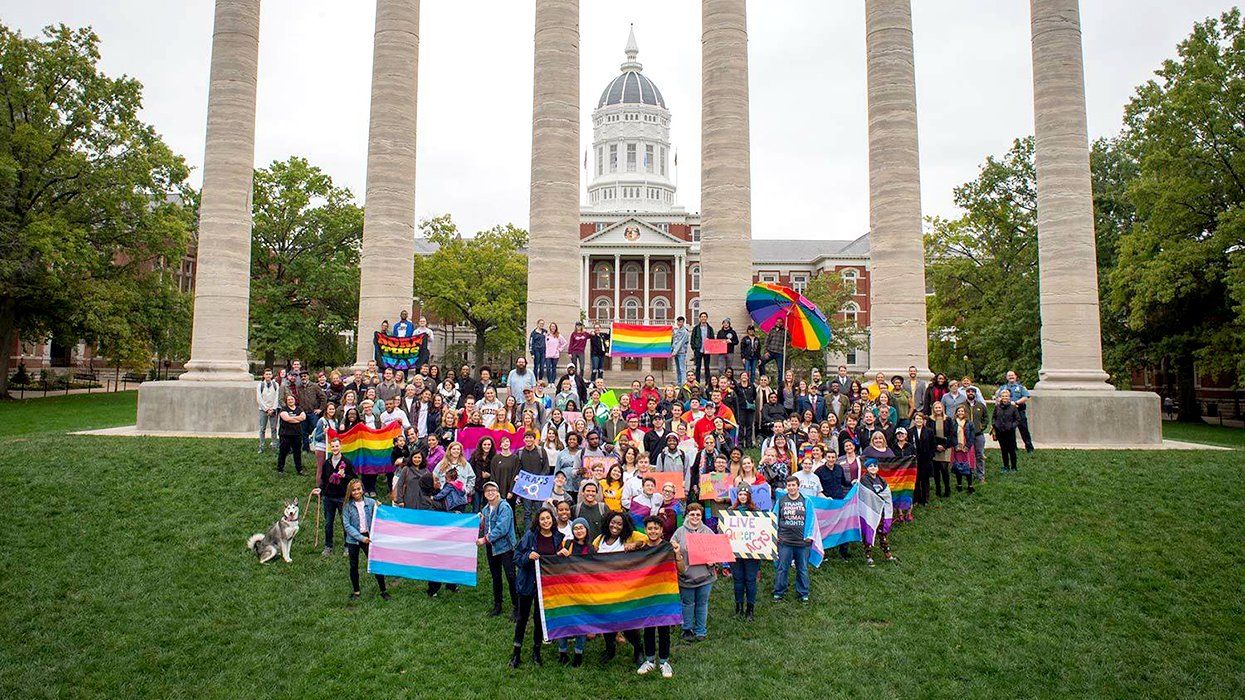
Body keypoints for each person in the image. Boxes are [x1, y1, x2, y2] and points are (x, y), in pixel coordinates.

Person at [512, 507, 563, 668]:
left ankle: (536, 651)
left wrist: (562, 556)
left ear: (552, 520)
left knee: (539, 618)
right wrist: (528, 556)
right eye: (542, 519)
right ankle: (516, 652)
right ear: (538, 522)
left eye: (548, 518)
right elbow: (517, 557)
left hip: (546, 585)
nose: (546, 521)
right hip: (528, 582)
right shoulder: (530, 536)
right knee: (522, 618)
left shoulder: (557, 538)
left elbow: (557, 564)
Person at [634, 515, 675, 677]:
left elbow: (681, 568)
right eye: (650, 528)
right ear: (646, 530)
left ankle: (665, 662)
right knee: (648, 628)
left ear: (661, 530)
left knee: (664, 629)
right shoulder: (642, 549)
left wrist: (677, 554)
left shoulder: (668, 547)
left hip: (665, 593)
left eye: (656, 528)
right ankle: (650, 660)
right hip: (647, 594)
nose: (653, 531)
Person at [670, 502, 716, 642]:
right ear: (687, 515)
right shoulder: (679, 532)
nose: (695, 517)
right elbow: (672, 547)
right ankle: (687, 629)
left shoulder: (708, 531)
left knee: (702, 603)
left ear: (701, 516)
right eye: (692, 514)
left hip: (705, 575)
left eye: (698, 514)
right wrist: (675, 548)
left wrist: (713, 561)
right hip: (686, 575)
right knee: (687, 603)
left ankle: (701, 630)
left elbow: (716, 550)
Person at [342, 479, 389, 600]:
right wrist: (361, 538)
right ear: (350, 492)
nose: (356, 492)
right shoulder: (347, 506)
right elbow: (347, 526)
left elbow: (380, 516)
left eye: (358, 489)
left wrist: (380, 507)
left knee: (375, 563)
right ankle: (356, 591)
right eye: (353, 490)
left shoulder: (371, 502)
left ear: (362, 489)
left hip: (369, 538)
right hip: (354, 540)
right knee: (354, 566)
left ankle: (383, 590)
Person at [555, 517, 593, 666]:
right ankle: (562, 652)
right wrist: (560, 554)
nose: (579, 530)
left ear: (586, 530)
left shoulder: (591, 548)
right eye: (576, 528)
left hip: (583, 590)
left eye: (581, 528)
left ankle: (578, 653)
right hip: (565, 589)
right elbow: (555, 563)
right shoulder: (566, 543)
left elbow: (593, 569)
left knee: (581, 623)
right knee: (564, 621)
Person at [478, 482, 518, 619]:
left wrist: (484, 539)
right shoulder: (485, 510)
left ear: (498, 492)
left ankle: (517, 607)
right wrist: (479, 522)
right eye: (487, 491)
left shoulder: (504, 507)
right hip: (492, 547)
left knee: (511, 577)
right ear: (484, 494)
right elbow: (484, 527)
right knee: (496, 577)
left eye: (492, 490)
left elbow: (502, 528)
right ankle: (498, 605)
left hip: (505, 547)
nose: (490, 492)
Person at [773, 475, 815, 603]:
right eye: (789, 485)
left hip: (802, 542)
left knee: (802, 569)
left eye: (793, 485)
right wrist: (775, 535)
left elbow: (812, 519)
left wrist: (808, 536)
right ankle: (779, 592)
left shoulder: (806, 500)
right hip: (785, 541)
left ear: (798, 486)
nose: (791, 488)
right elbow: (774, 518)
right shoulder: (781, 501)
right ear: (786, 487)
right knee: (782, 568)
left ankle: (803, 593)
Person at [730, 486, 762, 621]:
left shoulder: (756, 512)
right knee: (738, 580)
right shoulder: (731, 511)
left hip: (752, 552)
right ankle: (738, 608)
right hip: (735, 552)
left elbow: (762, 530)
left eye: (745, 494)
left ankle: (750, 609)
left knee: (750, 580)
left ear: (749, 496)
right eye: (740, 494)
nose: (742, 496)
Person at [860, 461, 896, 566]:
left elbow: (887, 493)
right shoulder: (864, 479)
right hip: (869, 511)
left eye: (875, 466)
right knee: (868, 532)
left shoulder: (881, 479)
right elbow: (869, 493)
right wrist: (879, 496)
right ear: (867, 468)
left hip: (881, 510)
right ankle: (869, 556)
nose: (873, 468)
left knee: (882, 532)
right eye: (870, 466)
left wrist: (880, 497)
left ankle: (887, 553)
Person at [996, 370, 1035, 452]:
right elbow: (998, 397)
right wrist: (1005, 402)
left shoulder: (1021, 387)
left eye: (1012, 375)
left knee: (1024, 429)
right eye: (1009, 375)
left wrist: (1016, 402)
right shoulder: (1003, 388)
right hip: (1007, 412)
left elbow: (1026, 397)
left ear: (1016, 376)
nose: (1011, 377)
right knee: (1010, 430)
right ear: (1006, 377)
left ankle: (1029, 448)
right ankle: (1013, 447)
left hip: (1019, 411)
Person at [992, 389, 1022, 473]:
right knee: (1003, 450)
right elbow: (994, 417)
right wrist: (995, 424)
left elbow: (1018, 419)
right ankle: (1006, 466)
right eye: (1003, 396)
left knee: (1011, 450)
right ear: (1000, 397)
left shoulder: (1013, 407)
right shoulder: (997, 407)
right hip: (1000, 432)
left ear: (1009, 397)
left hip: (1010, 432)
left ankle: (1014, 467)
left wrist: (1012, 426)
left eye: (1006, 396)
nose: (1004, 398)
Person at [950, 403, 977, 494]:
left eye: (962, 411)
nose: (960, 413)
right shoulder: (953, 422)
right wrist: (956, 445)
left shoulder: (969, 423)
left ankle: (970, 485)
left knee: (968, 466)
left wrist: (967, 446)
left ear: (965, 412)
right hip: (957, 447)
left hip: (967, 447)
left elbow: (972, 436)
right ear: (956, 413)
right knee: (958, 466)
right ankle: (959, 485)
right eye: (959, 411)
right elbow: (952, 435)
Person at [276, 394, 306, 475]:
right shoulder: (283, 409)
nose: (290, 401)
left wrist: (292, 418)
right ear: (286, 401)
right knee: (283, 452)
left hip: (297, 434)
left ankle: (299, 469)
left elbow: (303, 417)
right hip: (285, 434)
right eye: (288, 399)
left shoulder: (299, 409)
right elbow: (287, 419)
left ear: (295, 400)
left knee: (297, 452)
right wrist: (297, 418)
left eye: (292, 399)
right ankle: (280, 469)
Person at [910, 412, 936, 506]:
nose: (919, 420)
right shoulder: (910, 431)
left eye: (920, 418)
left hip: (926, 459)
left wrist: (930, 456)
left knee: (925, 480)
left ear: (923, 420)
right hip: (915, 459)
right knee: (916, 480)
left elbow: (933, 445)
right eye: (917, 418)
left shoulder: (929, 431)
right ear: (914, 420)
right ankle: (916, 498)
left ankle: (925, 499)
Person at [930, 401, 952, 498]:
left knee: (944, 470)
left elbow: (951, 434)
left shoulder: (948, 419)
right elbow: (929, 435)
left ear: (942, 408)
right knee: (936, 470)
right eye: (936, 408)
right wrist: (935, 446)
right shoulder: (930, 420)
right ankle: (938, 489)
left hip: (945, 448)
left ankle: (947, 489)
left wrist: (945, 446)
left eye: (940, 408)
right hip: (935, 448)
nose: (938, 409)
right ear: (933, 409)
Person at [257, 368, 280, 453]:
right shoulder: (260, 385)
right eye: (266, 374)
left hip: (273, 410)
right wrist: (266, 409)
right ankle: (261, 446)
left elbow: (277, 398)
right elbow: (259, 399)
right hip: (263, 410)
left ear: (272, 375)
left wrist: (273, 409)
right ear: (264, 375)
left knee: (274, 428)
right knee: (262, 428)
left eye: (270, 374)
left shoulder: (276, 385)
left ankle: (274, 445)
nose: (268, 376)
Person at [690, 311, 713, 382]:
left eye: (705, 317)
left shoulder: (710, 328)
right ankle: (697, 382)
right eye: (702, 317)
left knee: (707, 367)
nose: (703, 318)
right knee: (698, 367)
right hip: (698, 350)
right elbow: (692, 339)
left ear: (707, 318)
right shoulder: (696, 328)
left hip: (707, 350)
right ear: (700, 318)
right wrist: (694, 348)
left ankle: (707, 382)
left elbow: (712, 339)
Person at [671, 316, 691, 386]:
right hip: (676, 353)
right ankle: (679, 383)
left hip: (681, 353)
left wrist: (674, 352)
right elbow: (674, 341)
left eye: (680, 322)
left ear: (683, 322)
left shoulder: (684, 332)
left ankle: (683, 384)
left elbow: (680, 343)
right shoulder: (678, 330)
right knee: (678, 369)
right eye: (678, 322)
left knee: (682, 369)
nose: (679, 323)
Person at [529, 319, 548, 383]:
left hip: (543, 351)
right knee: (536, 366)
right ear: (537, 324)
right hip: (536, 351)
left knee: (542, 366)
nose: (541, 325)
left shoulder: (545, 331)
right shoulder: (533, 333)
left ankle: (540, 379)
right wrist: (532, 353)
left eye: (543, 324)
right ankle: (535, 380)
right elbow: (531, 343)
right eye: (540, 323)